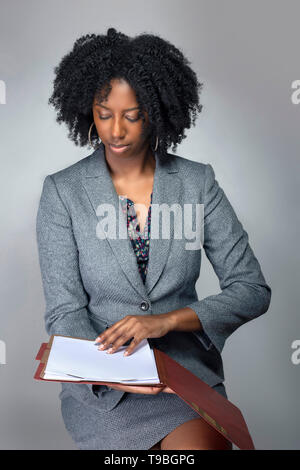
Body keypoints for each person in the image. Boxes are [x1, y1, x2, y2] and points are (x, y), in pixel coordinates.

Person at [36, 27, 271, 450]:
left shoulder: (197, 183)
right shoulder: (63, 191)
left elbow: (252, 290)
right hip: (106, 387)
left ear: (158, 111)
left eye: (133, 114)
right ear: (87, 109)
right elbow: (64, 312)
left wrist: (166, 321)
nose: (116, 131)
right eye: (104, 113)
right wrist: (114, 372)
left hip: (183, 377)